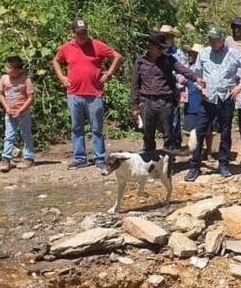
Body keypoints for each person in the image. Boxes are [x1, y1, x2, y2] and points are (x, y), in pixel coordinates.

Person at [53, 19, 123, 174]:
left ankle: (99, 159)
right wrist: (62, 78)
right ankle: (80, 158)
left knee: (97, 128)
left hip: (94, 94)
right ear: (73, 33)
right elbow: (56, 61)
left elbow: (117, 57)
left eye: (84, 32)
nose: (82, 35)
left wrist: (109, 74)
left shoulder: (97, 45)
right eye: (79, 32)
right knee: (76, 127)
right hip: (74, 94)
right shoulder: (67, 48)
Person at [186, 28, 241, 181]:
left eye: (216, 39)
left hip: (226, 98)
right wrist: (199, 89)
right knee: (200, 131)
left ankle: (223, 164)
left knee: (225, 132)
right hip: (208, 98)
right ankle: (194, 166)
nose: (213, 41)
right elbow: (197, 74)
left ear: (223, 39)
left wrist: (240, 85)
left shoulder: (233, 53)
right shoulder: (203, 53)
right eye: (211, 39)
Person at [131, 33, 196, 155]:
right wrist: (135, 106)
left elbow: (182, 70)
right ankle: (150, 159)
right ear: (150, 46)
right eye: (159, 47)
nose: (161, 51)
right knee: (148, 133)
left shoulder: (168, 60)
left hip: (165, 101)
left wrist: (196, 78)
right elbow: (135, 85)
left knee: (168, 133)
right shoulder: (140, 62)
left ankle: (169, 161)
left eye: (163, 48)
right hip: (147, 101)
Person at [0, 56, 34, 173]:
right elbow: (1, 94)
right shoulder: (4, 79)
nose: (6, 69)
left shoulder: (25, 80)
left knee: (26, 135)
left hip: (24, 112)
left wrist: (21, 109)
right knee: (9, 135)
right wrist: (7, 108)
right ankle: (6, 159)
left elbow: (30, 97)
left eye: (9, 67)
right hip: (10, 112)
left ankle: (28, 158)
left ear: (17, 69)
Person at [159, 25, 188, 153]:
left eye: (168, 37)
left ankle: (175, 142)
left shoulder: (179, 53)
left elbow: (184, 71)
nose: (166, 39)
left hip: (173, 88)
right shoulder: (157, 53)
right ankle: (167, 142)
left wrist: (177, 84)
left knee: (174, 117)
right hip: (159, 89)